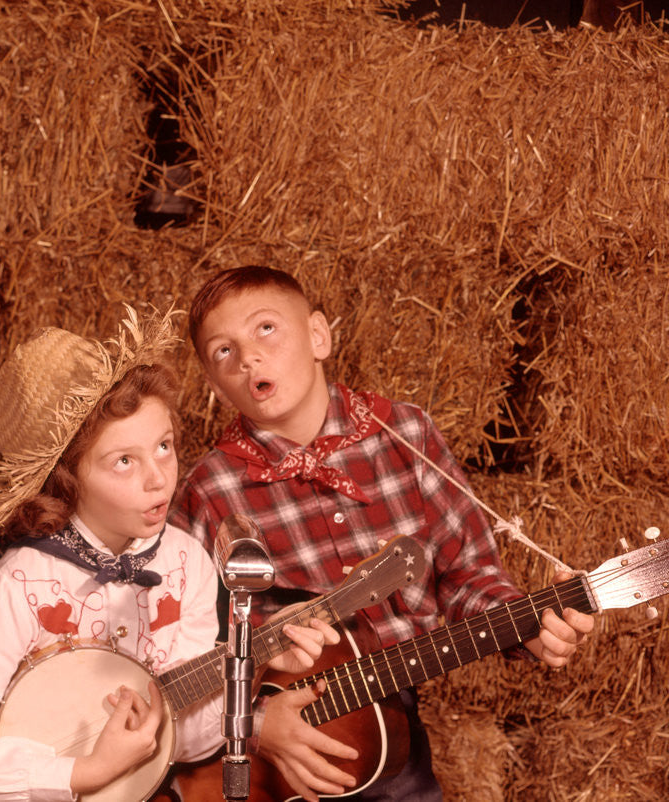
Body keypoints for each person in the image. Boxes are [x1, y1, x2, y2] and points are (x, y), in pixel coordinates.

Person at [170, 265, 595, 802]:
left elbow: (467, 573)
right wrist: (254, 724)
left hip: (384, 725)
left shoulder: (407, 434)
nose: (248, 356)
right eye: (223, 352)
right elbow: (178, 645)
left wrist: (528, 627)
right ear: (213, 383)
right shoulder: (210, 486)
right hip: (260, 742)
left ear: (319, 336)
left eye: (266, 330)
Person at [0, 308, 333, 801]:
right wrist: (80, 773)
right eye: (124, 461)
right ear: (66, 480)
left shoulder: (186, 562)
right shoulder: (19, 588)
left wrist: (253, 663)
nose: (158, 477)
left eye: (165, 446)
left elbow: (188, 742)